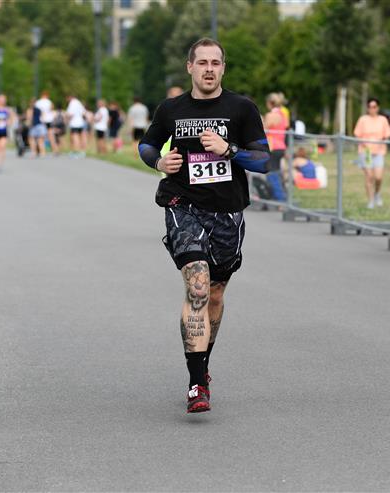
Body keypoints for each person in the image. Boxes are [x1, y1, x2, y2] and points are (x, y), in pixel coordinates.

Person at [139, 38, 270, 413]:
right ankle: (196, 385)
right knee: (197, 285)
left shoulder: (241, 108)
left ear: (223, 68)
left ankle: (203, 366)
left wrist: (229, 150)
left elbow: (264, 161)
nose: (209, 69)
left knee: (214, 293)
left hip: (227, 211)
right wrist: (159, 163)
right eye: (203, 63)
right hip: (182, 204)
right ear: (190, 67)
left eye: (216, 63)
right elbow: (147, 146)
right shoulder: (172, 109)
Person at [353, 97, 390, 209]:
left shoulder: (382, 120)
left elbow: (387, 134)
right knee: (369, 176)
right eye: (370, 107)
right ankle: (370, 201)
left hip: (379, 151)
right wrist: (366, 145)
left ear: (378, 108)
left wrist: (381, 144)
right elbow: (357, 134)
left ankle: (377, 194)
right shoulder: (363, 119)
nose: (372, 109)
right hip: (366, 152)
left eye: (374, 107)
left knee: (378, 177)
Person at [263, 92, 289, 201]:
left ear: (270, 103)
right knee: (277, 172)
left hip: (272, 147)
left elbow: (263, 130)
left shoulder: (270, 115)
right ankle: (280, 197)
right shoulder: (283, 115)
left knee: (271, 173)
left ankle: (280, 199)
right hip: (281, 147)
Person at [36, 91, 59, 155]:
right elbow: (52, 108)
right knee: (51, 136)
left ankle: (42, 151)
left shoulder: (38, 102)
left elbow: (37, 111)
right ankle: (55, 150)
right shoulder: (49, 101)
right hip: (49, 120)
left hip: (41, 120)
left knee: (41, 137)